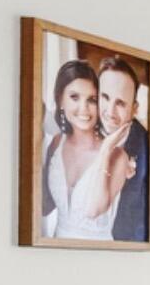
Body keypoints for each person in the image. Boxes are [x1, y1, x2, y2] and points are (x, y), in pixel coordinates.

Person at [40, 59, 116, 241]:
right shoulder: (56, 143)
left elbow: (97, 209)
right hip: (57, 250)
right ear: (60, 100)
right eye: (74, 97)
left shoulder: (113, 152)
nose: (84, 109)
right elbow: (45, 207)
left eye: (92, 100)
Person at [95, 54, 150, 243]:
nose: (110, 112)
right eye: (105, 97)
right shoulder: (79, 128)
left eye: (120, 103)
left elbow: (144, 224)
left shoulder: (147, 147)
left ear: (134, 108)